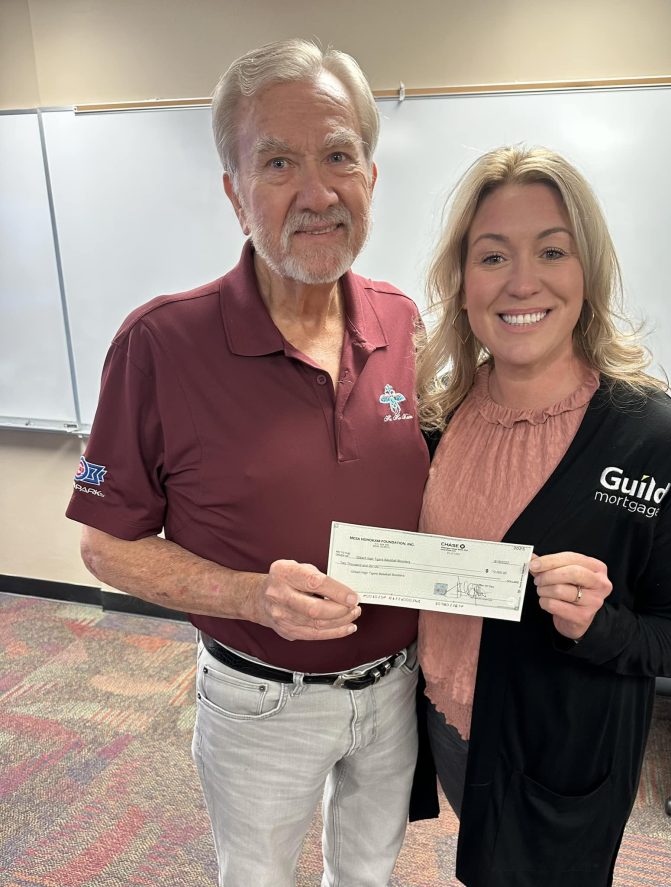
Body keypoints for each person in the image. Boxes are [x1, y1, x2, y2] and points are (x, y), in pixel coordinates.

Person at [66, 39, 429, 887]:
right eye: (277, 163)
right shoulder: (158, 343)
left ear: (371, 178)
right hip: (260, 697)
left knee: (369, 873)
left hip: (393, 689)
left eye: (339, 154)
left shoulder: (407, 322)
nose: (317, 191)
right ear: (235, 194)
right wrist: (245, 593)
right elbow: (103, 544)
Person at [411, 145, 671, 886]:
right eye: (492, 256)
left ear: (589, 271)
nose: (523, 281)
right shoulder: (439, 416)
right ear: (462, 280)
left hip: (564, 758)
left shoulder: (653, 438)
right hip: (449, 726)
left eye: (552, 250)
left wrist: (601, 623)